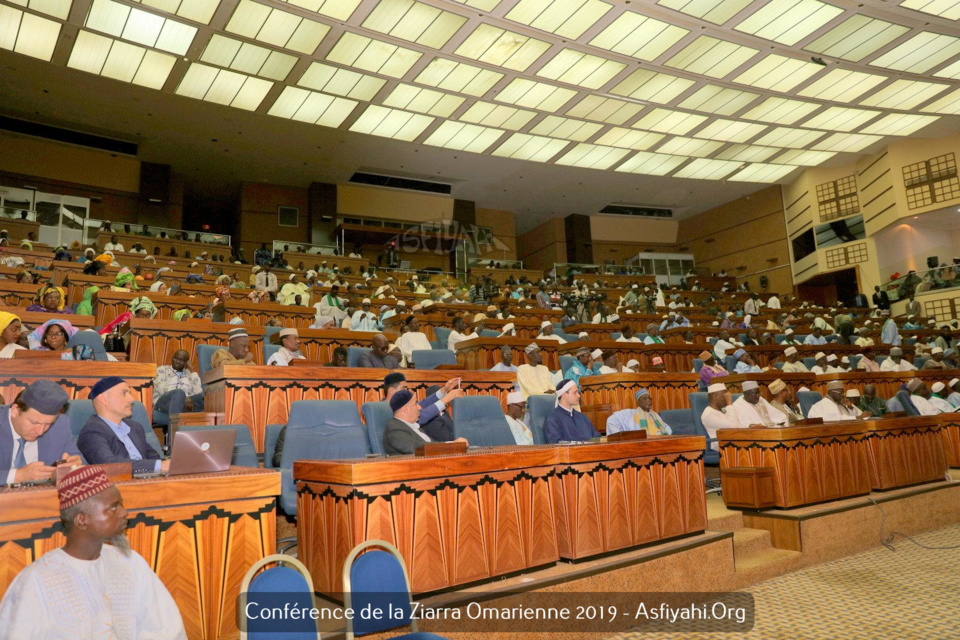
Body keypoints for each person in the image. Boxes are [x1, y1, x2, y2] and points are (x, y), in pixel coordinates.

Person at [0, 464, 187, 638]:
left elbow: (166, 630)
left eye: (121, 505)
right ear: (82, 520)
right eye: (113, 508)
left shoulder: (130, 562)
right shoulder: (37, 580)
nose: (124, 513)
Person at [77, 377, 168, 475]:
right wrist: (159, 466)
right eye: (124, 393)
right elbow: (108, 465)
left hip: (151, 480)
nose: (131, 399)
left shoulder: (135, 427)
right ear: (104, 399)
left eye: (129, 393)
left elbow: (155, 458)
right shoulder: (92, 432)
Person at [0, 380, 83, 484]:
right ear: (15, 410)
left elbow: (80, 463)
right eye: (34, 422)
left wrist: (72, 467)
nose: (40, 432)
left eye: (48, 424)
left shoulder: (60, 425)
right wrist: (18, 475)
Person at [383, 389, 466, 455]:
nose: (419, 407)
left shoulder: (412, 425)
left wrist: (454, 444)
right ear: (405, 409)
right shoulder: (394, 429)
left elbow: (431, 444)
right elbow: (419, 448)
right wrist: (452, 445)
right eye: (415, 404)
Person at [154, 349, 204, 417]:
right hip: (165, 402)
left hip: (187, 404)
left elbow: (198, 392)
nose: (177, 361)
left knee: (204, 396)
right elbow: (161, 389)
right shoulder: (161, 370)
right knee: (179, 393)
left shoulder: (189, 374)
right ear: (172, 357)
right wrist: (183, 397)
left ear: (186, 363)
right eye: (176, 358)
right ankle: (174, 423)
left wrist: (192, 369)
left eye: (181, 360)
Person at [606, 388, 672, 436]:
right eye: (644, 399)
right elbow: (611, 421)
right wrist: (622, 438)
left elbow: (666, 428)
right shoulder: (630, 414)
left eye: (649, 398)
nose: (648, 400)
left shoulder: (655, 415)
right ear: (638, 402)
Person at [700, 383, 740, 449]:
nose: (727, 398)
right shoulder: (708, 414)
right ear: (714, 396)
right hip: (722, 445)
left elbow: (738, 425)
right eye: (724, 395)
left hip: (733, 441)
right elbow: (734, 427)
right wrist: (729, 403)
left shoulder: (723, 410)